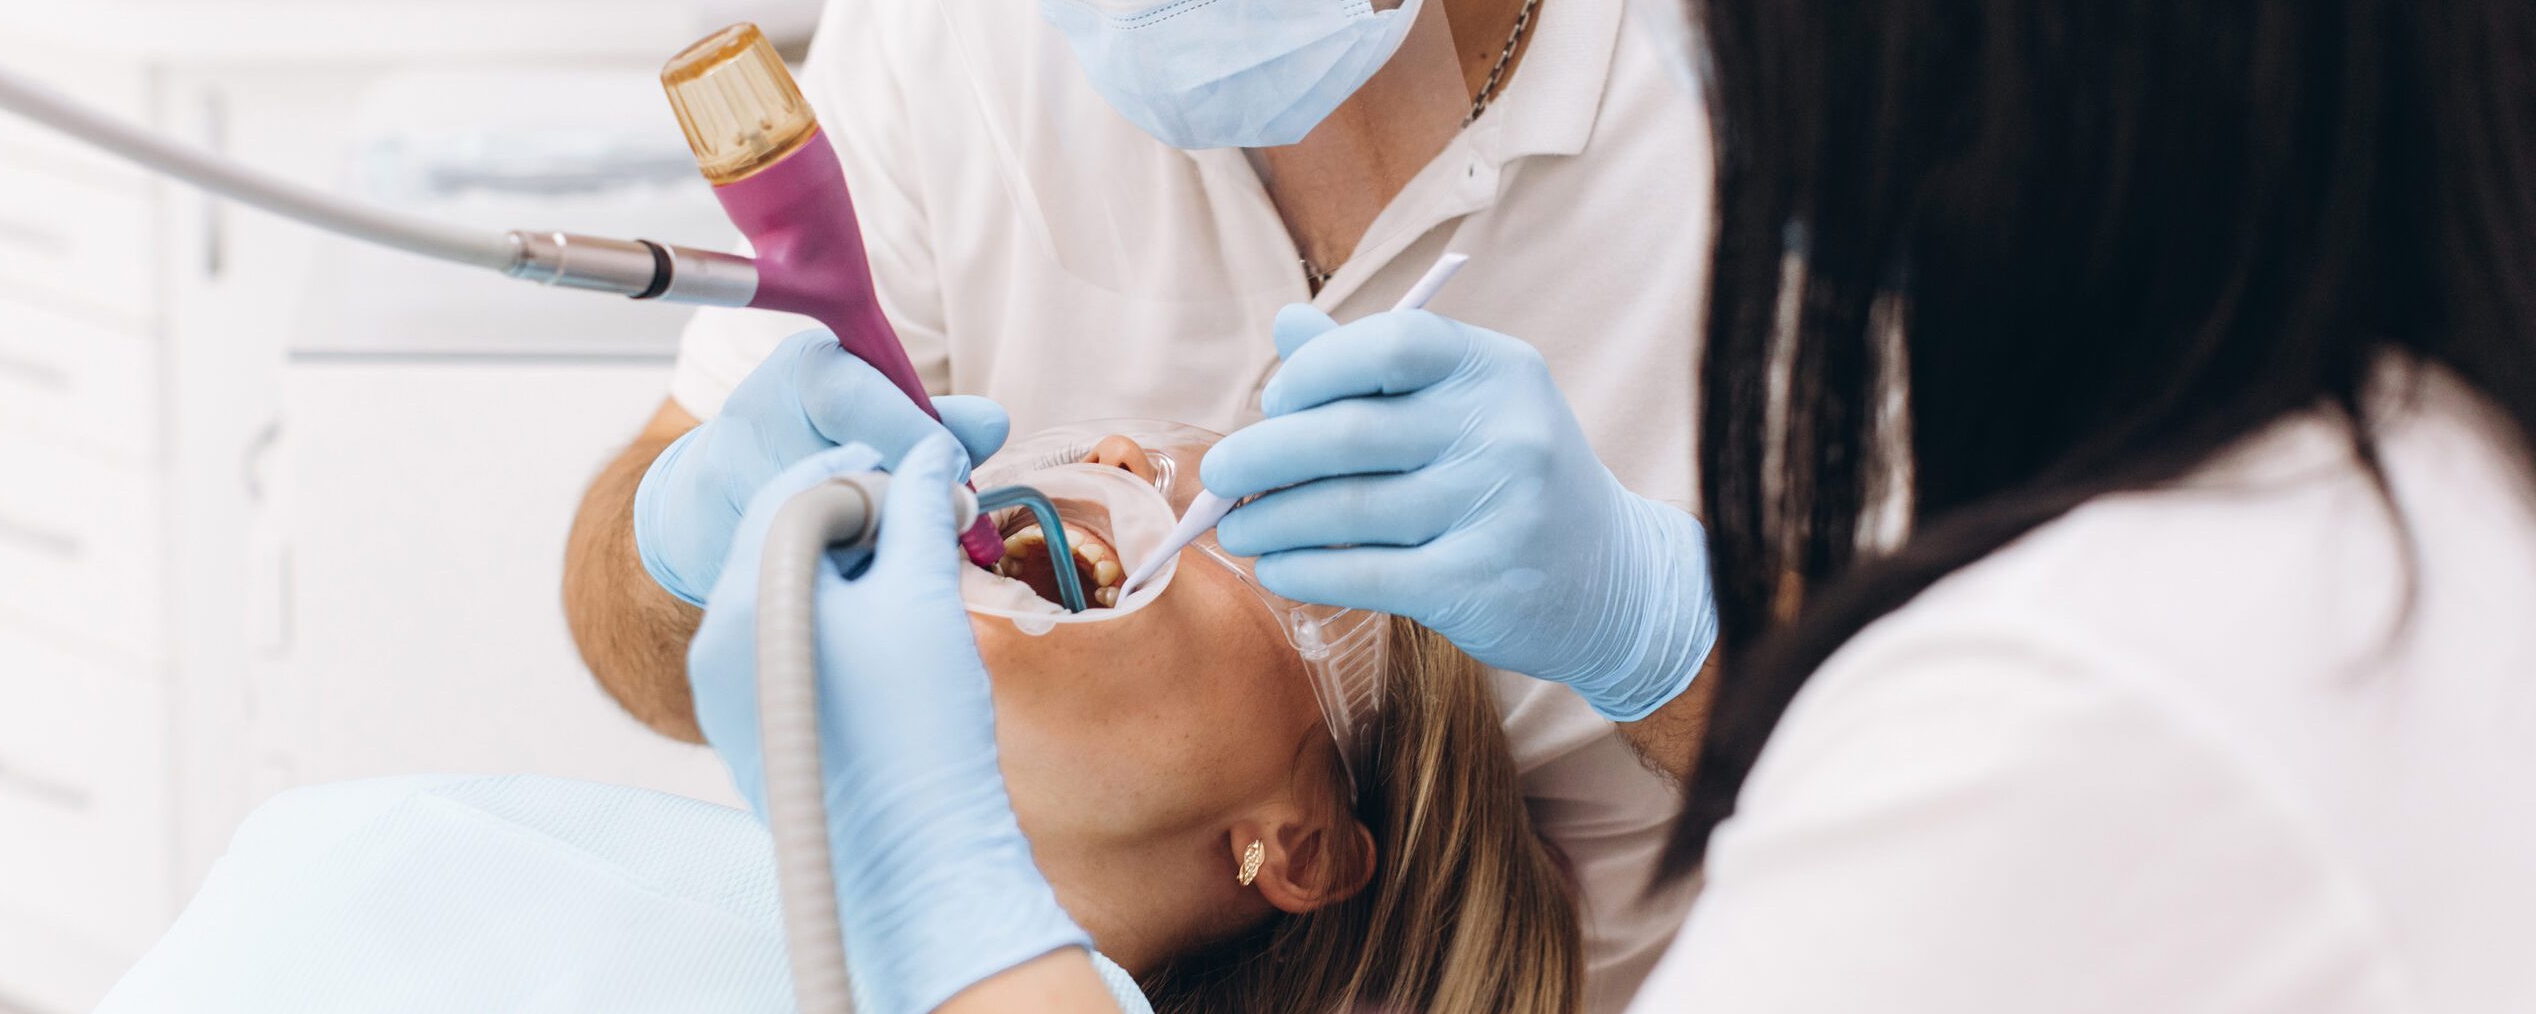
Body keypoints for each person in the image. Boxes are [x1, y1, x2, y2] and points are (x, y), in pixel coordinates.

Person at [688, 0, 2536, 1008]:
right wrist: (709, 531)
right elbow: (632, 576)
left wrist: (1683, 633)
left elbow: (1973, 778)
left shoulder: (2067, 714)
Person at [563, 0, 1722, 1005]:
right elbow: (628, 621)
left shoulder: (1818, 12)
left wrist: (1663, 634)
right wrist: (696, 539)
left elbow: (1985, 798)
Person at [100, 427, 1579, 1014]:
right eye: (1159, 434)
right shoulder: (481, 841)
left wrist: (944, 887)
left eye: (1255, 523)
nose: (1135, 457)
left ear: (1298, 847)